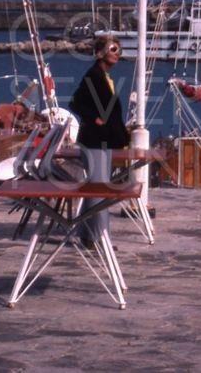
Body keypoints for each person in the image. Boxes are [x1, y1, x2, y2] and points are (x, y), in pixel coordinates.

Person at [69, 34, 129, 247]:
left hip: (102, 142)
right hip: (94, 141)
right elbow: (74, 103)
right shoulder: (93, 75)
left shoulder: (102, 76)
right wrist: (94, 119)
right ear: (101, 52)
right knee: (100, 190)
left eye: (119, 50)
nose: (117, 54)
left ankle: (87, 236)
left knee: (95, 188)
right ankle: (101, 238)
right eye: (113, 49)